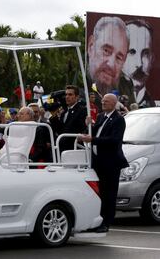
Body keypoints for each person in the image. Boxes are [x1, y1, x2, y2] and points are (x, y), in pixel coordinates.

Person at [78, 94, 128, 232]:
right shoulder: (100, 117)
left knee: (109, 194)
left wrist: (92, 139)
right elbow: (93, 133)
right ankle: (96, 220)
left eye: (106, 101)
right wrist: (88, 126)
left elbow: (113, 140)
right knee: (97, 193)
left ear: (114, 103)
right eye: (103, 101)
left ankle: (106, 222)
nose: (103, 103)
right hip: (97, 161)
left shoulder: (118, 120)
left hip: (111, 163)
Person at [87, 16, 129, 98]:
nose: (111, 64)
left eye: (119, 58)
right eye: (106, 51)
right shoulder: (79, 80)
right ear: (91, 46)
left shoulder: (126, 86)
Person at [121, 19, 155, 107]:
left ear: (152, 59)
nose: (139, 64)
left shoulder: (152, 105)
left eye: (145, 53)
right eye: (132, 52)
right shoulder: (109, 98)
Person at [49, 85, 87, 153]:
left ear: (77, 97)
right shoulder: (64, 111)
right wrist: (53, 116)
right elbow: (60, 130)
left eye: (70, 94)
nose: (67, 97)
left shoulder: (82, 110)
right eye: (66, 94)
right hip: (61, 147)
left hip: (73, 148)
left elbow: (76, 128)